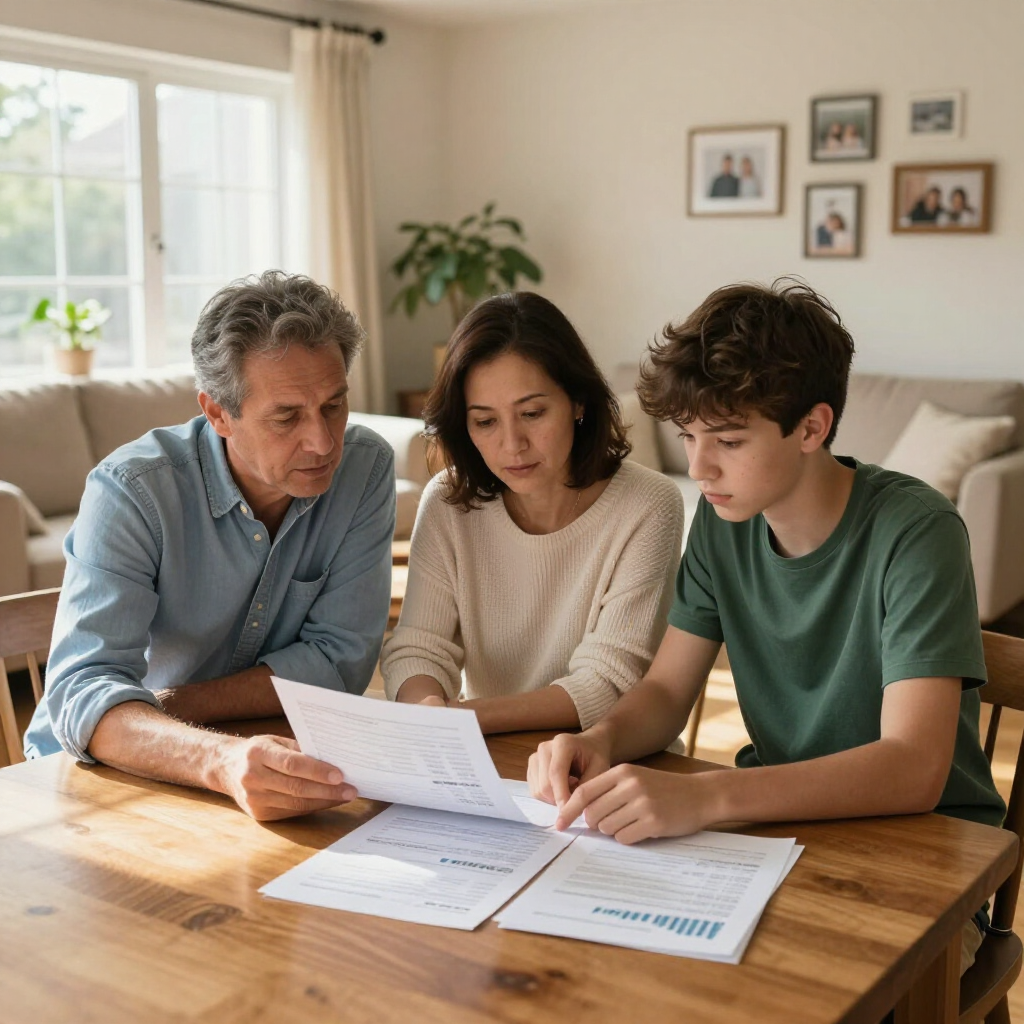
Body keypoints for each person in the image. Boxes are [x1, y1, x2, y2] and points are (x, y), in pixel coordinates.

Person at [528, 280, 1003, 975]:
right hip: (774, 839)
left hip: (925, 868)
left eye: (727, 439)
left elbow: (915, 768)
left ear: (812, 427)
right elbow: (665, 694)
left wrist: (706, 796)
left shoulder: (916, 532)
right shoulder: (725, 527)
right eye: (688, 437)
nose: (698, 466)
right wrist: (598, 741)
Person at [24, 271, 396, 821]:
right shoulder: (132, 491)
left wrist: (171, 706)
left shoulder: (365, 469)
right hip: (102, 776)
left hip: (257, 755)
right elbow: (82, 693)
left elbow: (339, 662)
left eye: (335, 405)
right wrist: (218, 758)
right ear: (218, 413)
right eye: (287, 416)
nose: (323, 442)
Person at [381, 291, 684, 734]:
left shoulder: (649, 504)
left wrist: (461, 719)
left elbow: (609, 683)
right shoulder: (448, 501)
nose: (512, 444)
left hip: (610, 767)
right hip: (489, 757)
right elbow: (417, 650)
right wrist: (427, 709)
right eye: (485, 421)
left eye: (532, 413)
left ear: (578, 402)